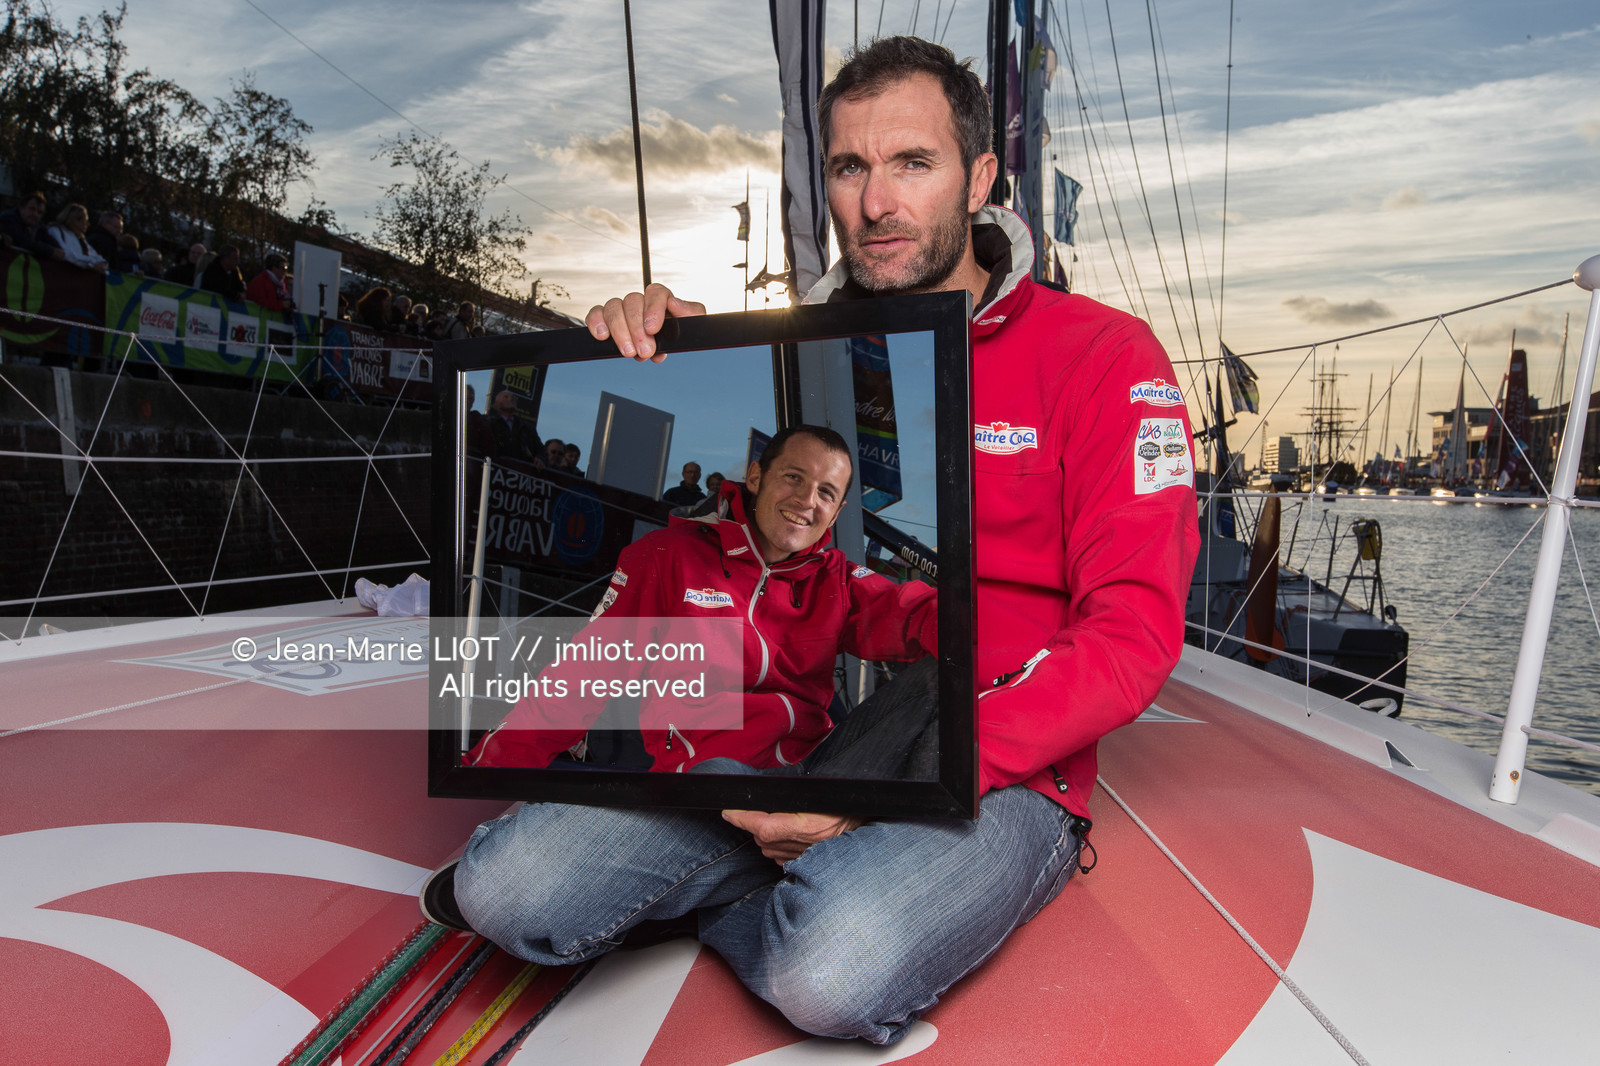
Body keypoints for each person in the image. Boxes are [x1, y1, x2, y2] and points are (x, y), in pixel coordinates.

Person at [439, 36, 1198, 1046]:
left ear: (978, 178)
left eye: (912, 163)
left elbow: (1132, 638)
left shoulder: (1105, 356)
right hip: (838, 760)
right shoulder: (789, 343)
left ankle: (740, 885)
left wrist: (921, 778)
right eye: (849, 167)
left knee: (831, 968)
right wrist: (653, 341)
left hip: (1012, 770)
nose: (876, 201)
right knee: (504, 886)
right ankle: (771, 864)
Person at [462, 423, 936, 775]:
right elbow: (581, 676)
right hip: (709, 779)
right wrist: (485, 776)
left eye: (826, 493)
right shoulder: (669, 558)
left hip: (812, 772)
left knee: (955, 658)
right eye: (794, 477)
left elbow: (912, 613)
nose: (807, 500)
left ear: (836, 513)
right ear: (756, 477)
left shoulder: (838, 580)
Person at [0, 193, 65, 262]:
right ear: (21, 208)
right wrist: (50, 251)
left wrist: (58, 251)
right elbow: (23, 241)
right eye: (32, 209)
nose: (35, 214)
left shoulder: (39, 226)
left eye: (39, 212)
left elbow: (51, 242)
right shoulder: (8, 218)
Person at [45, 204, 108, 273]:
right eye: (85, 220)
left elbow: (96, 256)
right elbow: (66, 254)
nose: (88, 224)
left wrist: (102, 264)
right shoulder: (55, 230)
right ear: (75, 220)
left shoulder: (81, 240)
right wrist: (92, 263)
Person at [488, 389, 540, 464]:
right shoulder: (488, 423)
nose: (511, 399)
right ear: (497, 404)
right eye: (506, 397)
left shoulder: (527, 428)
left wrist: (540, 459)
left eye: (513, 398)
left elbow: (541, 450)